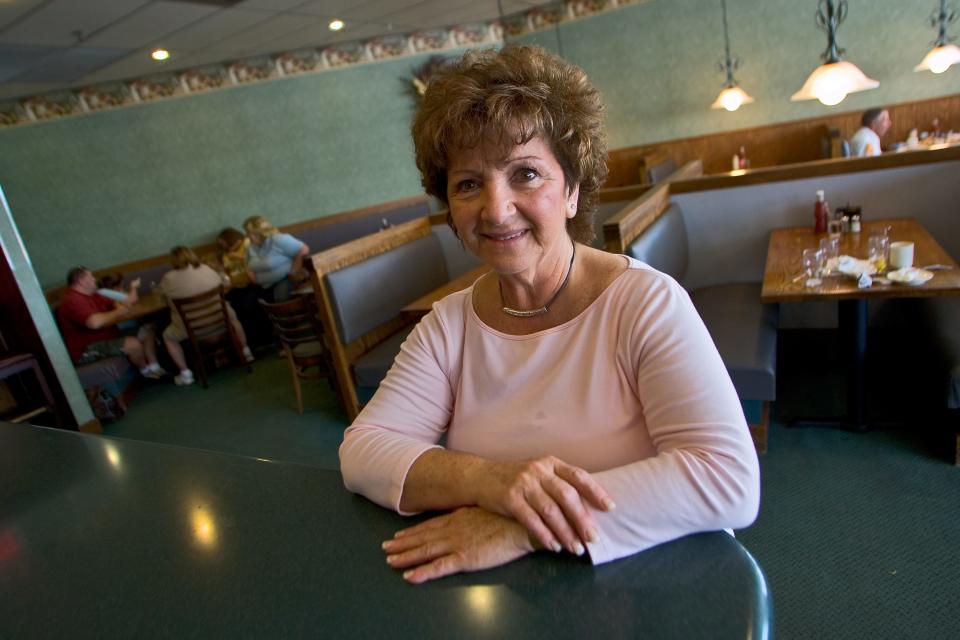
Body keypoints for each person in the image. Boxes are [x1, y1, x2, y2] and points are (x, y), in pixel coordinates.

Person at [339, 45, 760, 585]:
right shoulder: (448, 325)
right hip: (511, 594)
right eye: (469, 184)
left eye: (526, 174)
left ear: (572, 190)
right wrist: (491, 481)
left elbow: (727, 480)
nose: (495, 208)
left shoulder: (646, 303)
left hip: (656, 581)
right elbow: (363, 452)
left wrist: (527, 526)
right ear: (450, 210)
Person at [157, 246, 254, 386]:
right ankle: (246, 351)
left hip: (193, 330)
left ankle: (185, 373)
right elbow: (226, 283)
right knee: (233, 317)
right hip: (222, 321)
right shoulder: (207, 269)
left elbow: (162, 300)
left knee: (168, 336)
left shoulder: (168, 278)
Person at [57, 266, 164, 378]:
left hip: (107, 337)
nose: (94, 279)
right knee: (133, 344)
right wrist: (120, 311)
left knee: (148, 328)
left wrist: (118, 307)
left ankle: (155, 367)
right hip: (86, 349)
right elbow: (94, 323)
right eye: (91, 276)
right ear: (81, 281)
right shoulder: (72, 300)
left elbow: (123, 302)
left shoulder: (94, 294)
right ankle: (147, 373)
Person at [243, 215, 309, 303]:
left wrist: (293, 272)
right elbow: (247, 264)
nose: (248, 236)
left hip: (284, 280)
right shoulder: (251, 247)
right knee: (242, 300)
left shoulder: (278, 239)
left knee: (280, 298)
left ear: (261, 231)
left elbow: (303, 250)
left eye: (252, 233)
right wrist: (251, 274)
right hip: (261, 285)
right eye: (247, 233)